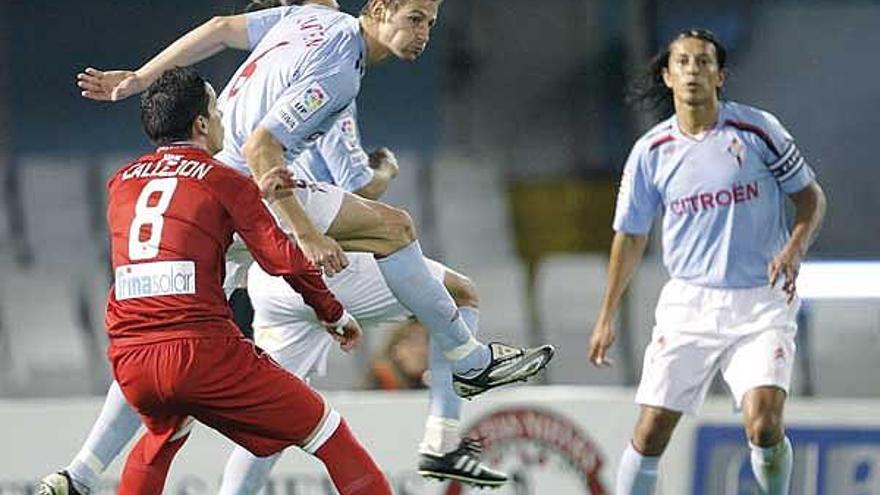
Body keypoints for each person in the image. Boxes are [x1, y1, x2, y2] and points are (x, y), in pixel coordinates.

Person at [76, 0, 553, 406]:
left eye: (430, 21)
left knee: (172, 347)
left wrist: (141, 77)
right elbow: (262, 148)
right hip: (242, 192)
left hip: (208, 190)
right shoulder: (341, 68)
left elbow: (221, 29)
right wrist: (309, 235)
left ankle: (82, 470)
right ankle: (468, 362)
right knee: (396, 228)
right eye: (414, 18)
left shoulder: (309, 18)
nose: (423, 33)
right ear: (379, 9)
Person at [40, 67, 392, 495]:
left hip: (130, 357)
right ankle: (80, 475)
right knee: (328, 432)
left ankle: (81, 475)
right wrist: (334, 316)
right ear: (201, 124)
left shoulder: (120, 183)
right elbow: (286, 261)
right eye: (216, 110)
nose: (223, 119)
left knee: (161, 433)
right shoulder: (225, 180)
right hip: (202, 352)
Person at [588, 29, 826, 495]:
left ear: (721, 76)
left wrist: (795, 247)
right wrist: (606, 314)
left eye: (703, 63)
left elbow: (811, 199)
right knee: (652, 429)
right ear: (667, 75)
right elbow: (631, 236)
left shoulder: (758, 131)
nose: (692, 71)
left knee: (763, 424)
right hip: (690, 303)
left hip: (762, 300)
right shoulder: (650, 153)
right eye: (682, 63)